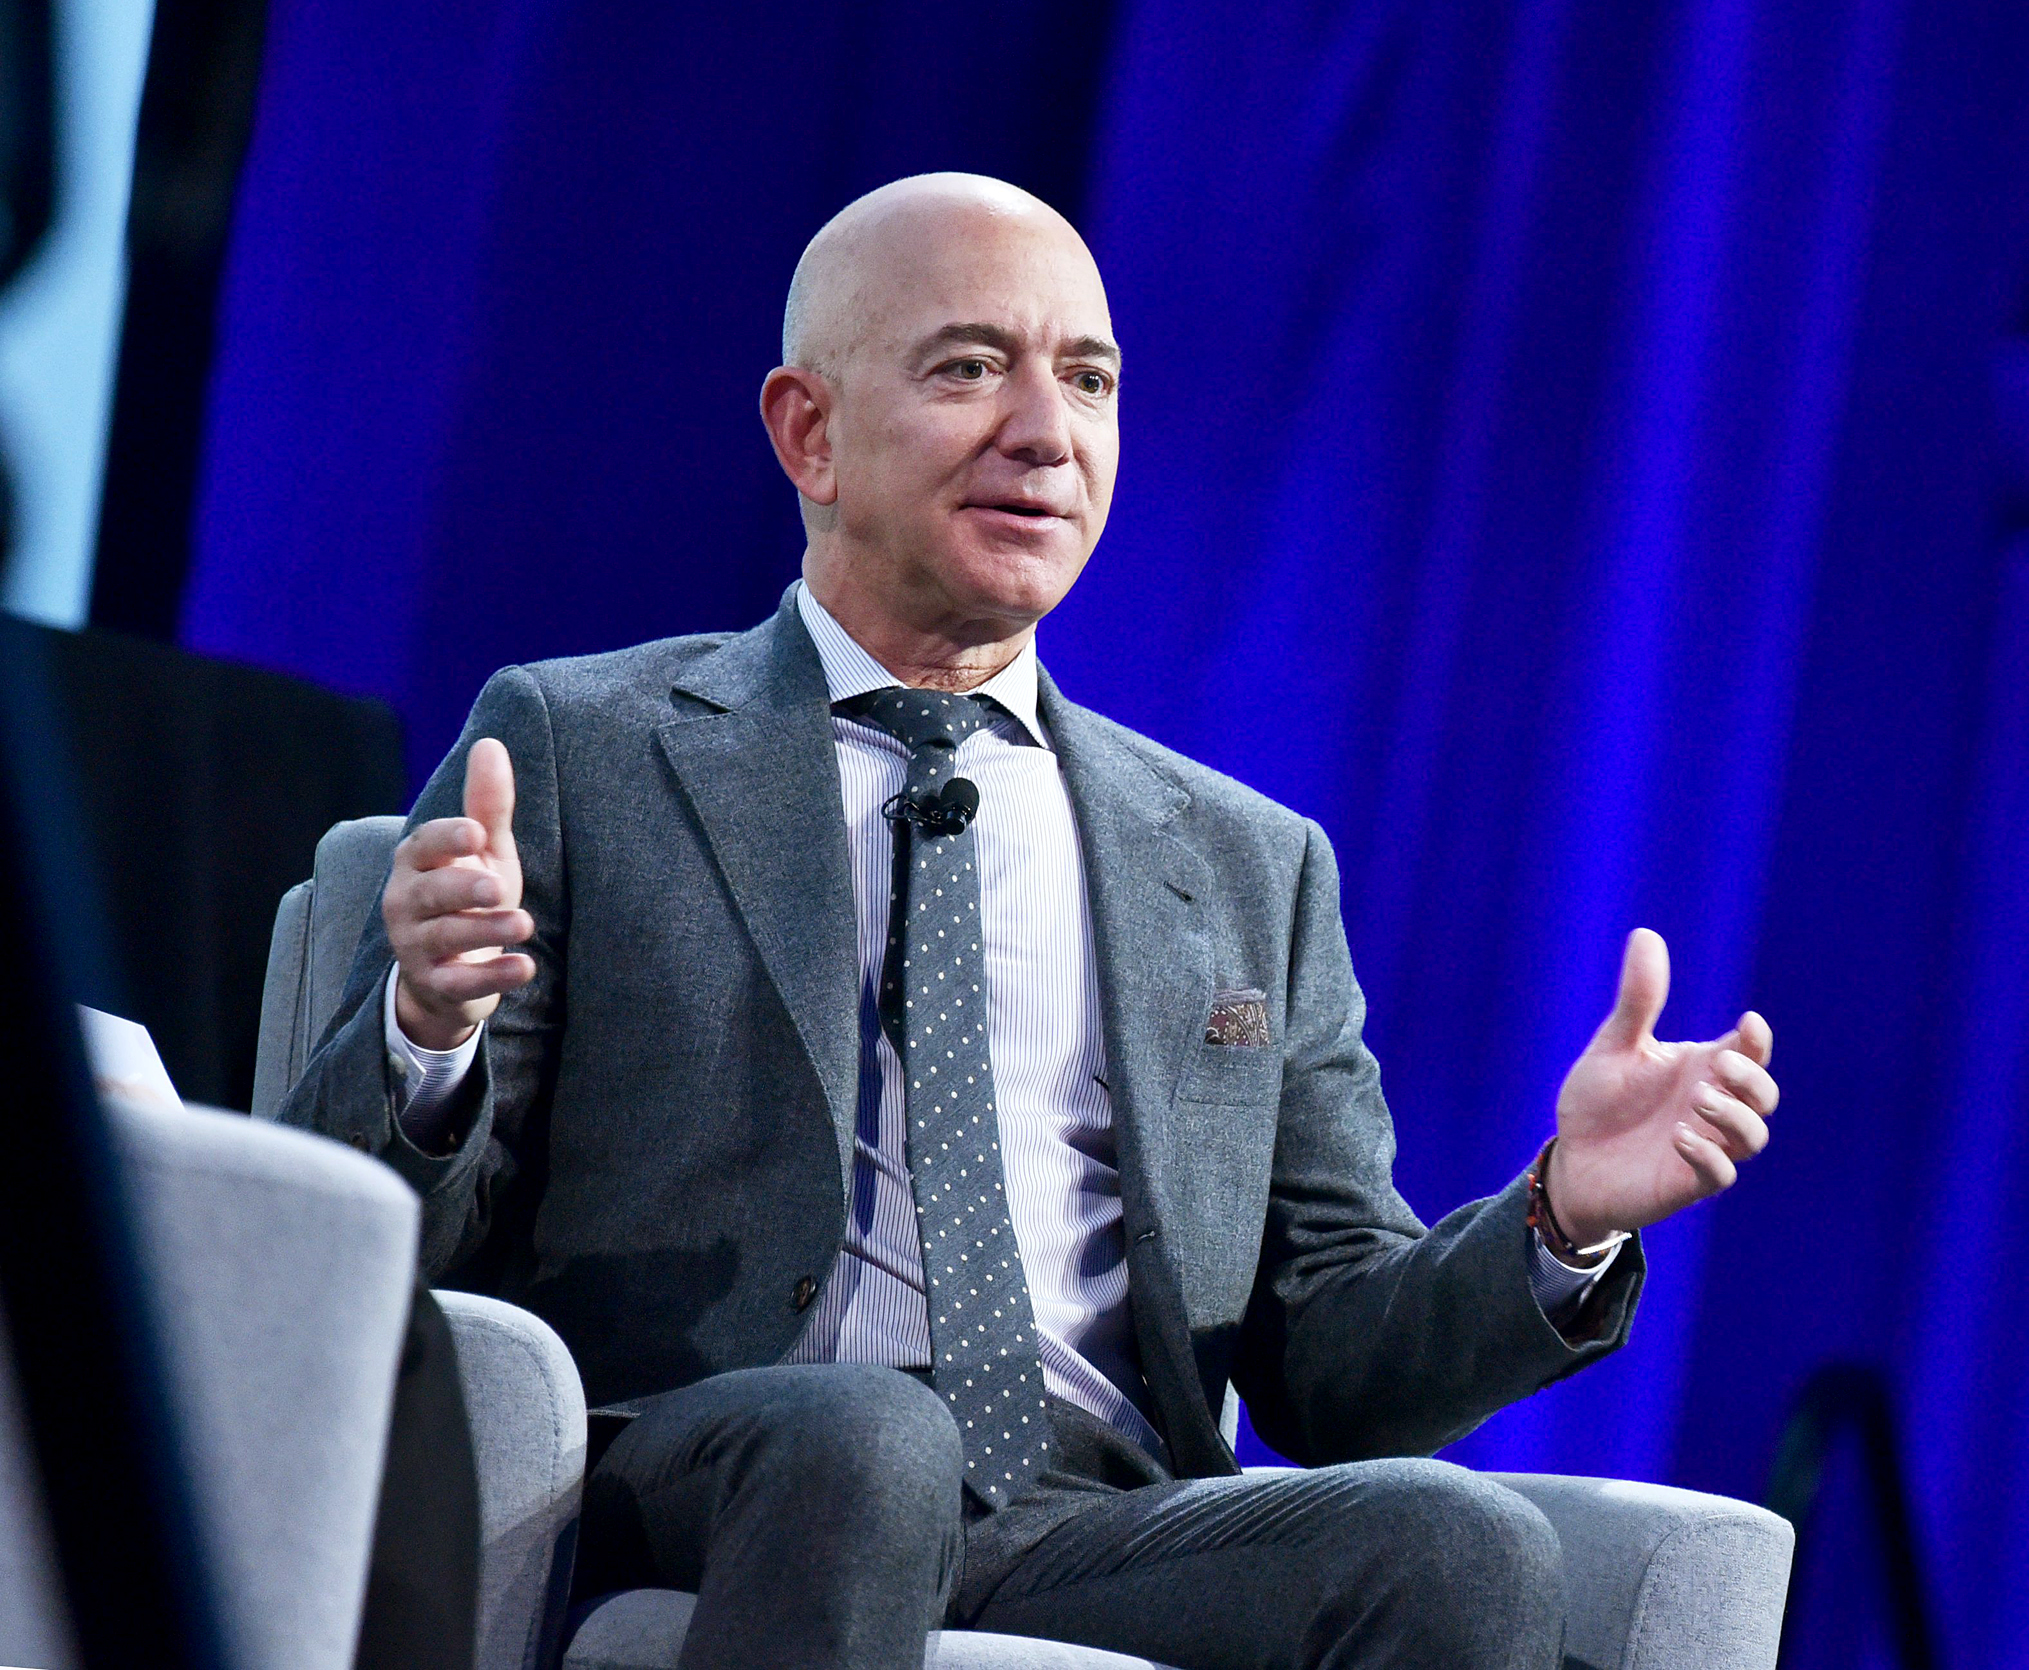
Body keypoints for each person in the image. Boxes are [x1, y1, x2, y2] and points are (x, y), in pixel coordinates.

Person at [279, 173, 1780, 1670]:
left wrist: (1560, 1215)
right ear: (810, 431)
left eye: (1089, 379)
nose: (1046, 434)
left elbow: (1336, 1366)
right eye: (968, 367)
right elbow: (351, 1242)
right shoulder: (582, 744)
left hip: (1093, 1520)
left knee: (1464, 1546)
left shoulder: (1251, 862)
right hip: (729, 1466)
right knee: (871, 1442)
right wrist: (430, 1029)